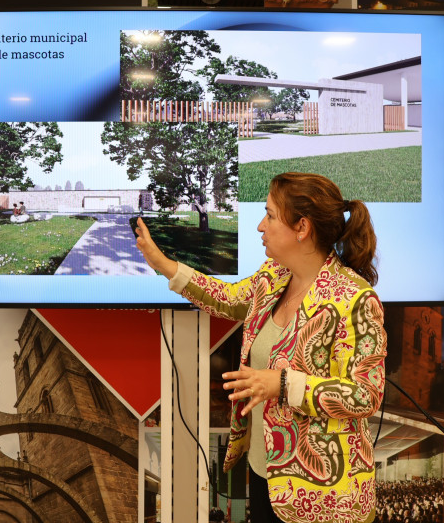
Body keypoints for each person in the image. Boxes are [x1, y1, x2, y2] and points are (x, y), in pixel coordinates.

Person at [135, 172, 387, 523]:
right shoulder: (274, 275)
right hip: (264, 474)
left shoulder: (354, 298)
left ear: (302, 227)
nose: (259, 226)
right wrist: (162, 264)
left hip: (324, 495)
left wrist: (283, 384)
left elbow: (365, 395)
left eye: (269, 215)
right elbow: (229, 298)